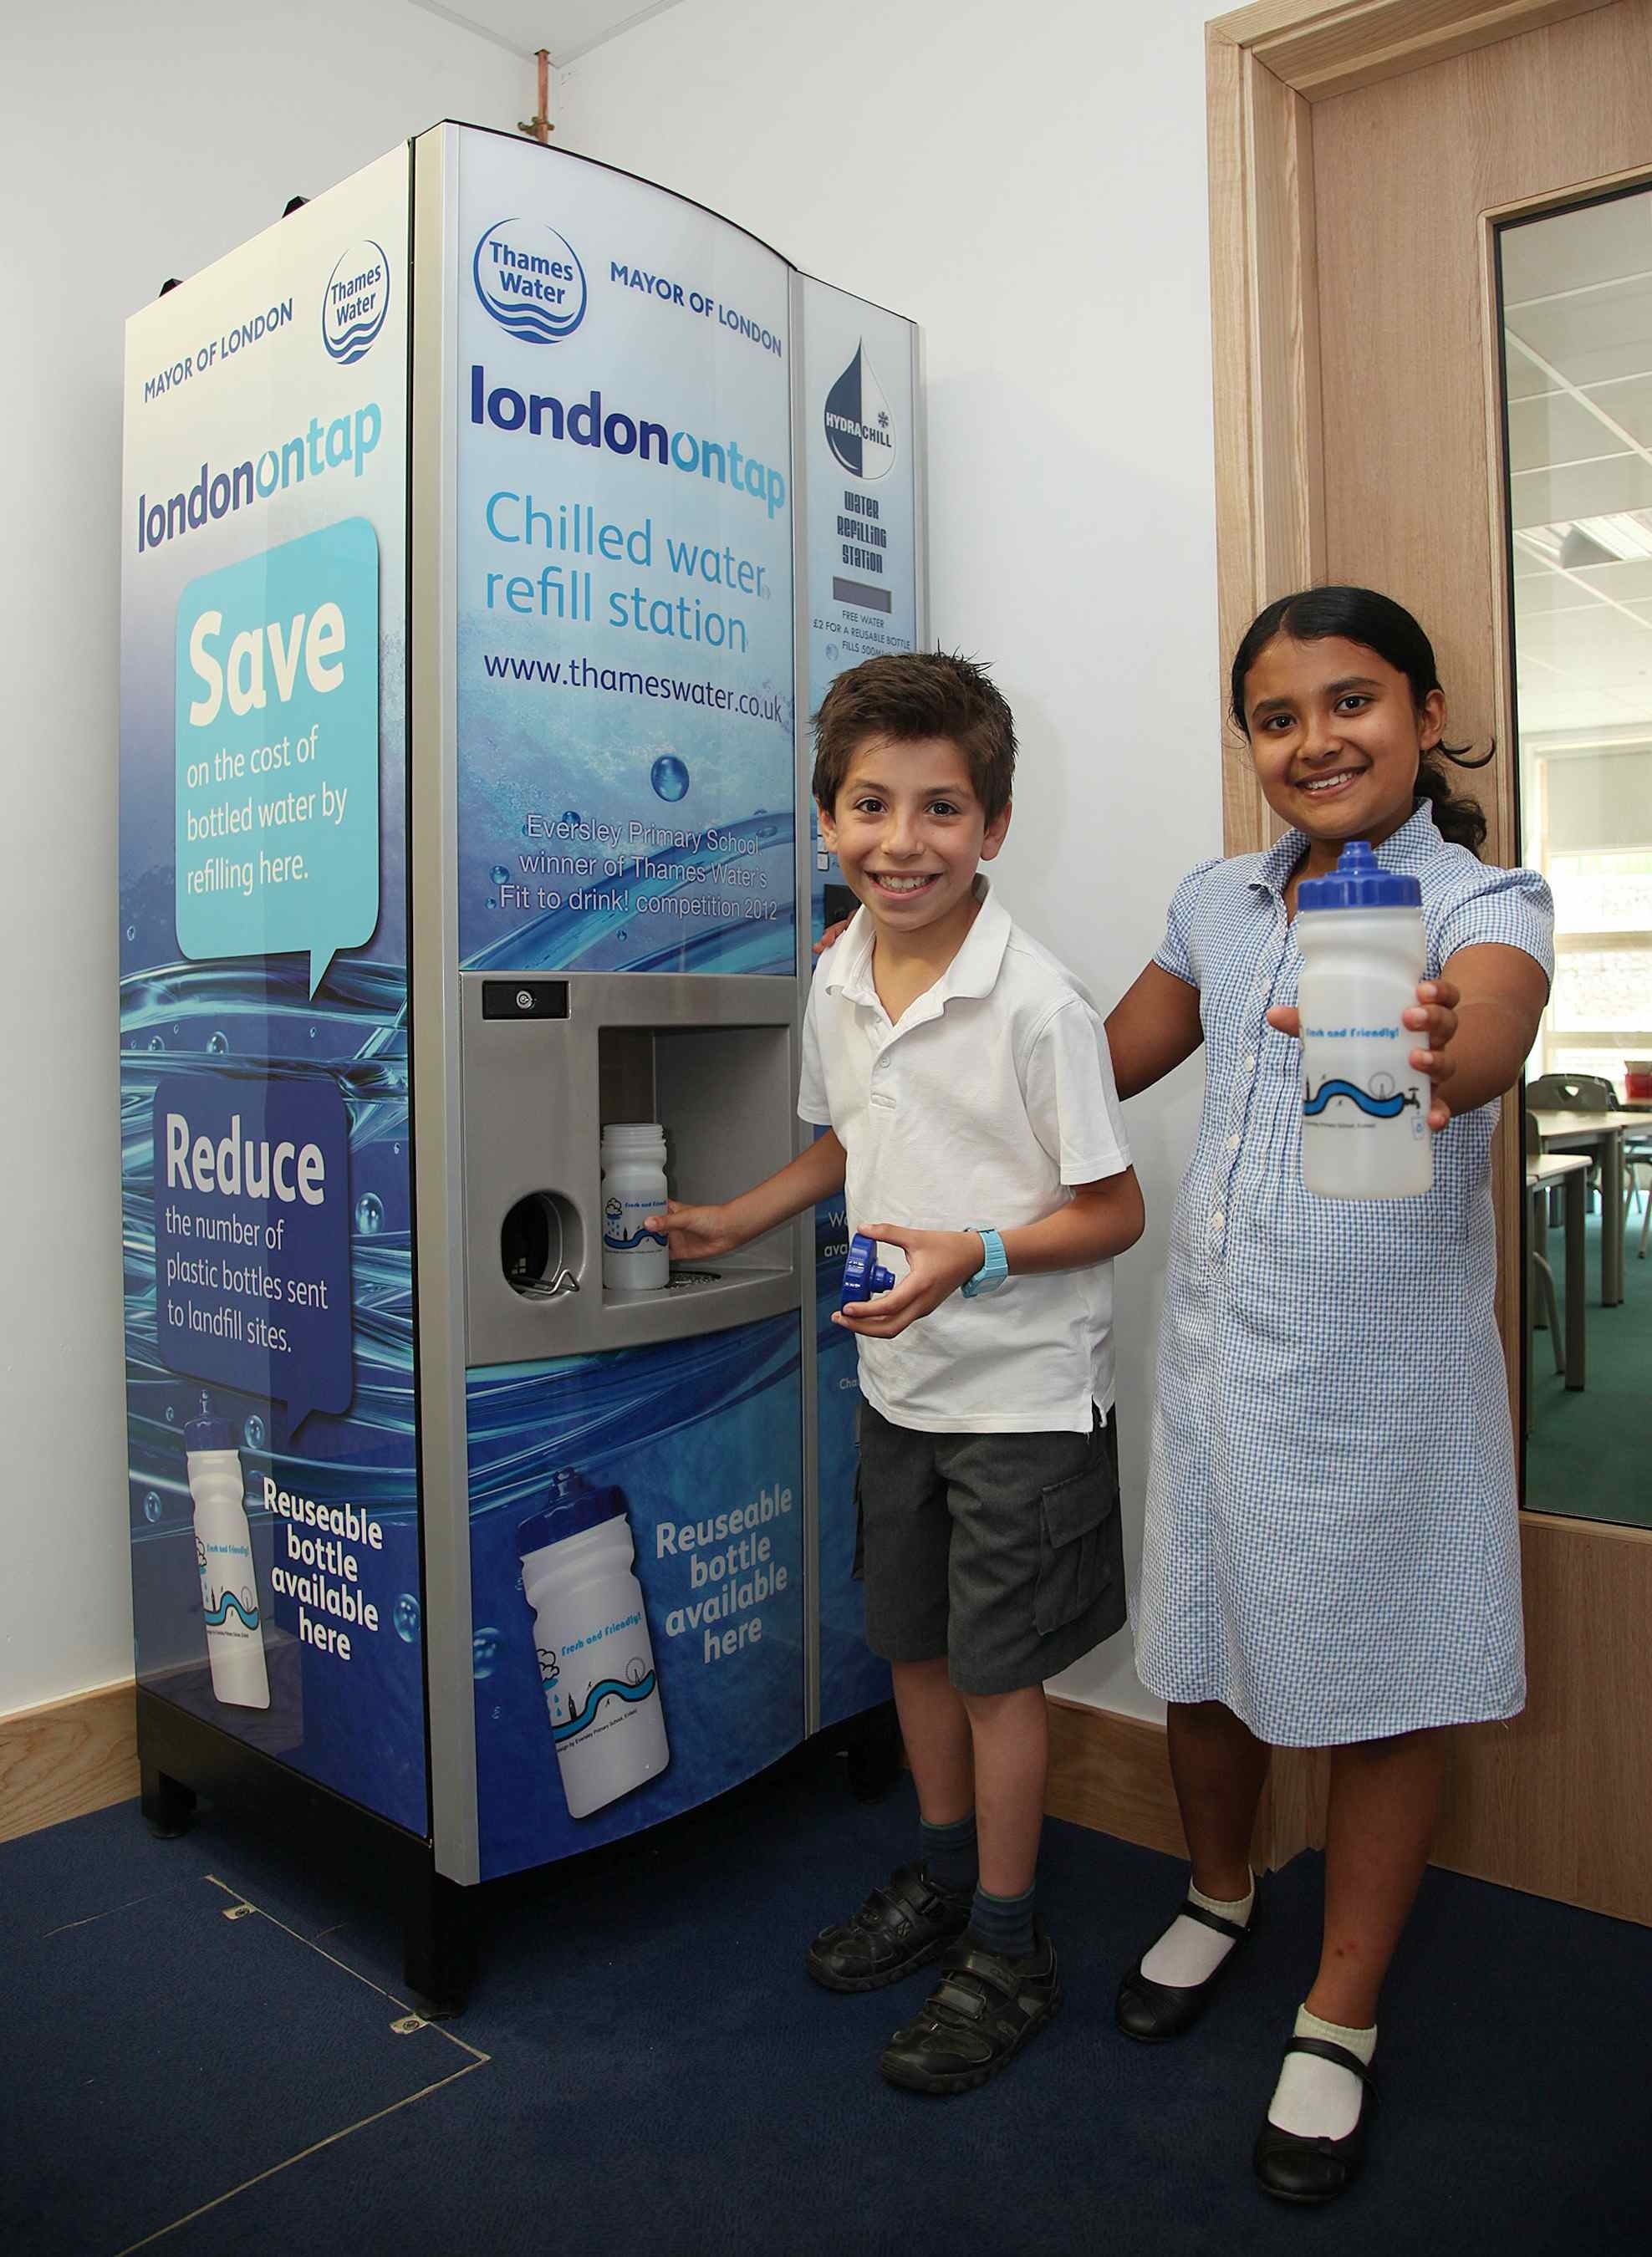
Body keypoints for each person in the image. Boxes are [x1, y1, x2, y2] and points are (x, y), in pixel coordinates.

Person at [1104, 587, 1553, 2203]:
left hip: (1385, 1372)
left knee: (1386, 1675)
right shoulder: (1217, 904)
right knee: (1205, 1645)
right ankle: (1220, 1892)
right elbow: (1104, 1061)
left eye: (1353, 703)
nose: (1316, 741)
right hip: (1223, 1348)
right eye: (1278, 719)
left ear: (1429, 716)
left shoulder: (1478, 895)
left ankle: (1340, 2009)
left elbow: (1492, 1021)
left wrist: (1438, 1043)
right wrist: (924, 983)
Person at [645, 650, 1144, 2095]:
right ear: (827, 819)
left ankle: (1008, 1941)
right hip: (899, 1390)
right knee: (911, 1648)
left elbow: (1111, 1209)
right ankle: (940, 1879)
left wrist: (970, 1257)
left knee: (998, 1678)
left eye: (941, 809)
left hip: (1019, 1402)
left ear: (992, 827)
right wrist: (739, 1215)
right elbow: (850, 1140)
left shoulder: (1040, 1003)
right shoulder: (841, 973)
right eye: (871, 805)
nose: (901, 840)